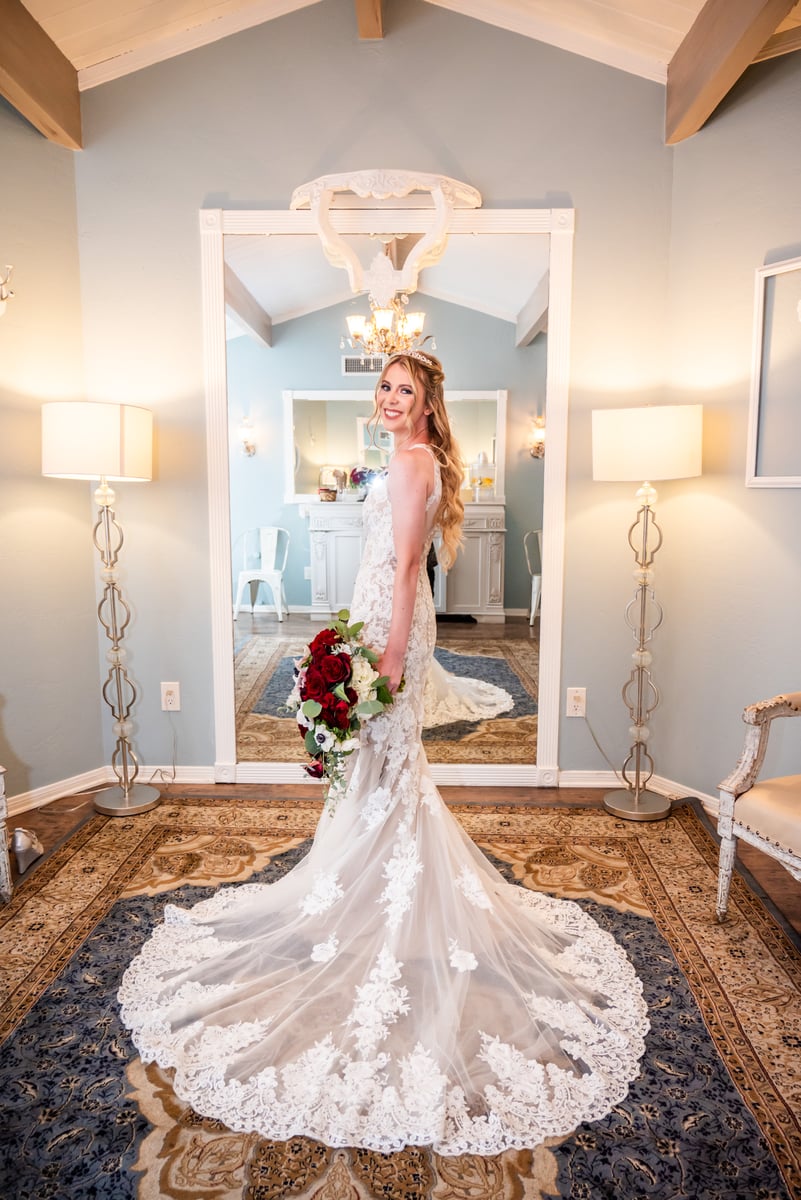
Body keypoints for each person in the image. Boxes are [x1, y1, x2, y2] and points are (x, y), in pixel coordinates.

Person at [118, 351, 648, 1156]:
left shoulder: (409, 461)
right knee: (379, 769)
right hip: (378, 616)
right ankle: (366, 892)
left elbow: (403, 565)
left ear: (428, 405)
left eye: (406, 390)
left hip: (392, 622)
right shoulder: (409, 457)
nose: (391, 398)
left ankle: (379, 903)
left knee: (385, 765)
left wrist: (391, 656)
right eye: (385, 387)